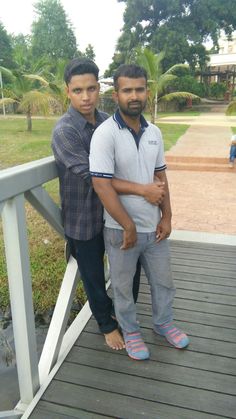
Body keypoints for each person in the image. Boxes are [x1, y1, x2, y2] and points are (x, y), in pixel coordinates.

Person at [51, 58, 166, 351]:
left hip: (115, 214)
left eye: (91, 88)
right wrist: (141, 189)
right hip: (84, 218)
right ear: (68, 92)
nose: (86, 96)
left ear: (99, 89)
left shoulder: (107, 121)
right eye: (78, 90)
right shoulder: (65, 131)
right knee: (91, 275)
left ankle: (124, 315)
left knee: (129, 269)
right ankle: (106, 324)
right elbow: (94, 177)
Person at [90, 64, 190, 360]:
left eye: (139, 89)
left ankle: (163, 323)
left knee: (163, 282)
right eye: (127, 90)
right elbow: (101, 184)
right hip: (121, 230)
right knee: (122, 286)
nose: (134, 95)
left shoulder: (154, 133)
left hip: (154, 228)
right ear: (116, 94)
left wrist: (168, 216)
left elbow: (161, 177)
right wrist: (128, 225)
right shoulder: (105, 134)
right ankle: (131, 331)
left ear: (147, 91)